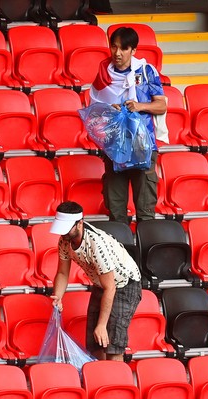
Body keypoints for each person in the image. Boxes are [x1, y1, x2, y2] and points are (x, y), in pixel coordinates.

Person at [90, 25, 167, 224]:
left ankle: (145, 252)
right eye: (114, 47)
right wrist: (109, 110)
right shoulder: (103, 73)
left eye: (124, 49)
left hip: (143, 145)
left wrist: (139, 105)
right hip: (115, 146)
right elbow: (94, 112)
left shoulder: (146, 71)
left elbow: (161, 106)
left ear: (133, 50)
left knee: (146, 211)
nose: (118, 53)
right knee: (116, 212)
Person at [50, 201, 142, 362]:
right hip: (101, 285)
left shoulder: (97, 244)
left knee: (112, 342)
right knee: (94, 344)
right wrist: (58, 296)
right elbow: (63, 272)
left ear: (79, 224)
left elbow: (111, 287)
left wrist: (102, 325)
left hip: (124, 285)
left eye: (66, 228)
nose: (63, 233)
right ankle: (100, 381)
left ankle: (116, 384)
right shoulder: (65, 240)